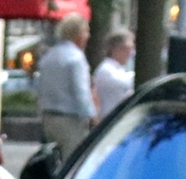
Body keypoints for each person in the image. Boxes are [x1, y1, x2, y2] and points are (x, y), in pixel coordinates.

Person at [36, 16, 95, 156]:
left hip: (48, 117)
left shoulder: (49, 56)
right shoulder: (76, 58)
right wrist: (92, 117)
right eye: (86, 32)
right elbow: (81, 92)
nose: (88, 36)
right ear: (78, 34)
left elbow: (39, 87)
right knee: (72, 160)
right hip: (71, 120)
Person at [92, 30, 136, 119]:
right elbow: (126, 83)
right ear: (116, 49)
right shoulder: (106, 70)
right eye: (128, 48)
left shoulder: (119, 70)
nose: (131, 53)